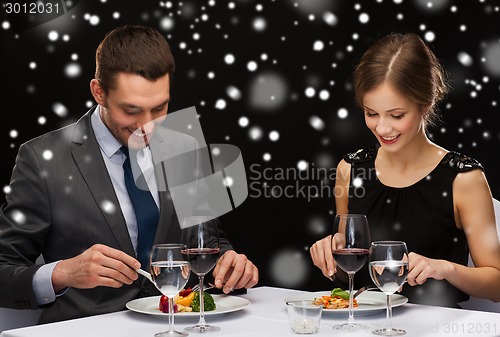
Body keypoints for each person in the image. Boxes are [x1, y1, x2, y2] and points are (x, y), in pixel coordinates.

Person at [0, 25, 258, 324]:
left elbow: (207, 243)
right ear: (99, 92)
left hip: (177, 326)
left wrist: (229, 263)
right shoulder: (42, 159)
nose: (147, 126)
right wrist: (62, 273)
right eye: (131, 110)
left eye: (159, 107)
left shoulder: (187, 148)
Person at [310, 33, 500, 307]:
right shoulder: (349, 170)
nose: (382, 128)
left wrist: (446, 269)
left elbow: (496, 285)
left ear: (426, 104)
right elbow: (347, 273)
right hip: (363, 325)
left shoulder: (463, 179)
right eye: (371, 113)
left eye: (397, 115)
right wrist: (330, 250)